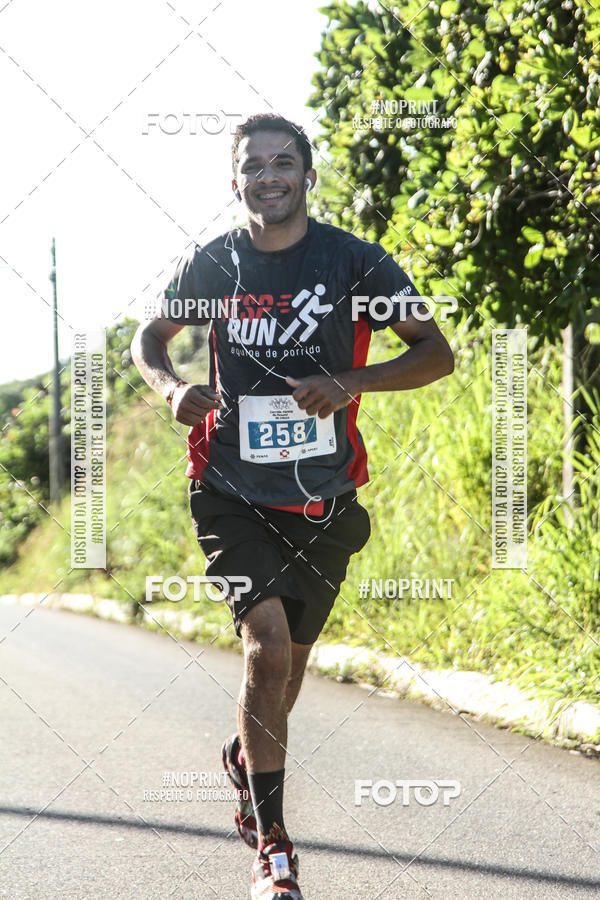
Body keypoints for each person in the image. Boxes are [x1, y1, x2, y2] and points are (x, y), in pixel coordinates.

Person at [132, 112, 454, 900]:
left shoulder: (355, 261)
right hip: (230, 487)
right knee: (265, 652)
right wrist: (173, 387)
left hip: (324, 498)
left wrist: (353, 382)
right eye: (253, 165)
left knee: (288, 671)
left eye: (284, 163)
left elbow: (435, 353)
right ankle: (273, 847)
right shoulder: (213, 263)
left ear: (309, 175)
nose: (268, 176)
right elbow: (149, 338)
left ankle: (248, 761)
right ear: (233, 180)